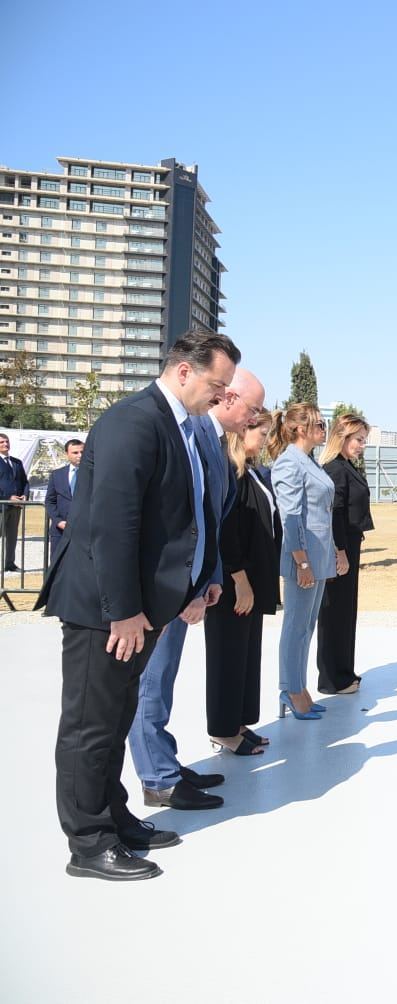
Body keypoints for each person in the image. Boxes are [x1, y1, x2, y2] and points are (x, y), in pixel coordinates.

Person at [37, 329, 240, 881]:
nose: (222, 398)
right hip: (105, 609)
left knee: (117, 715)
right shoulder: (135, 420)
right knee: (89, 725)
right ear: (183, 372)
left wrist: (197, 581)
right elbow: (112, 524)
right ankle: (88, 843)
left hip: (142, 610)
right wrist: (123, 609)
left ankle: (115, 818)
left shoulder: (174, 425)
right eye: (217, 386)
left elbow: (186, 516)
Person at [128, 367, 265, 810]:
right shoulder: (189, 435)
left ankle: (163, 762)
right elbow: (173, 522)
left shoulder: (210, 440)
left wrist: (208, 580)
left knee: (162, 680)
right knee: (150, 683)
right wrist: (184, 587)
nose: (255, 418)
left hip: (190, 587)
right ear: (229, 399)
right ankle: (159, 779)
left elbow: (211, 521)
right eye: (254, 408)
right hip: (165, 590)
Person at [205, 410, 280, 755]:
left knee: (246, 655)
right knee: (227, 655)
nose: (264, 441)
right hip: (235, 583)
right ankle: (223, 728)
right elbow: (227, 534)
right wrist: (241, 580)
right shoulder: (230, 474)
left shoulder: (252, 472)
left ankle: (238, 721)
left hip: (253, 579)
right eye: (260, 434)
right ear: (242, 432)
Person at [269, 404, 336, 720]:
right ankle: (290, 689)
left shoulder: (310, 462)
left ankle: (300, 687)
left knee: (307, 626)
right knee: (295, 627)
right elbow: (291, 518)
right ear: (299, 429)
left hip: (318, 557)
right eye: (319, 424)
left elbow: (322, 513)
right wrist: (302, 562)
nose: (324, 429)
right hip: (304, 560)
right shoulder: (289, 464)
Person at [317, 413, 373, 695]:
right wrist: (339, 551)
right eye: (358, 439)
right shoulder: (335, 468)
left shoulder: (345, 465)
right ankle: (332, 677)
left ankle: (343, 671)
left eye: (364, 440)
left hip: (349, 543)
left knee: (344, 610)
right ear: (343, 437)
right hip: (340, 546)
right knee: (335, 611)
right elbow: (334, 512)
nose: (362, 445)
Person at [44, 439, 84, 559]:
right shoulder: (57, 475)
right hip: (60, 530)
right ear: (67, 454)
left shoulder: (93, 475)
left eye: (82, 452)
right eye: (75, 452)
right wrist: (58, 521)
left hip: (84, 529)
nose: (80, 455)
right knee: (57, 563)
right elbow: (50, 501)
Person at [0, 432, 28, 572]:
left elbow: (24, 482)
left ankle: (9, 564)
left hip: (16, 507)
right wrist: (7, 497)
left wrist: (24, 495)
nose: (5, 444)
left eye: (7, 441)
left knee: (12, 536)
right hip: (1, 505)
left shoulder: (17, 462)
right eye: (2, 442)